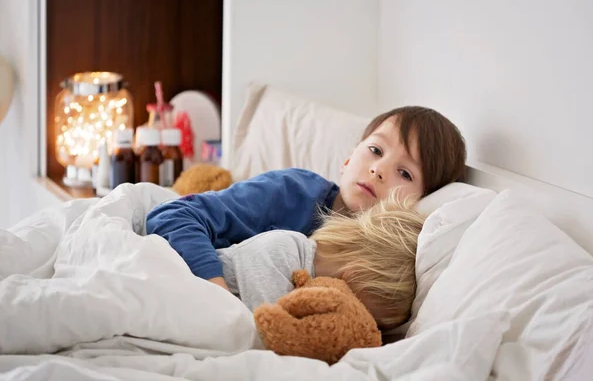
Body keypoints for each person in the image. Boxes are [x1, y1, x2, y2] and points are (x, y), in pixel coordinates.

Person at [146, 106, 466, 291]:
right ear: (347, 158)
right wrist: (217, 292)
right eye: (375, 150)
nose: (379, 170)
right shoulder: (291, 191)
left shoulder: (386, 265)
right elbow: (172, 215)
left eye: (405, 173)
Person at [216, 192, 424, 329]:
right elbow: (266, 331)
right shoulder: (283, 251)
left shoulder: (307, 282)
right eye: (369, 316)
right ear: (353, 278)